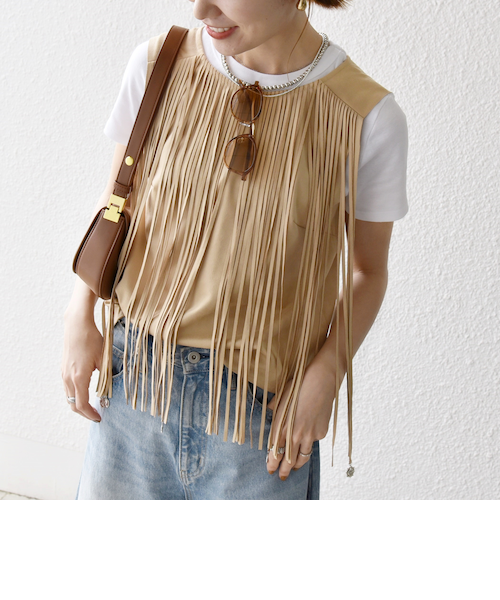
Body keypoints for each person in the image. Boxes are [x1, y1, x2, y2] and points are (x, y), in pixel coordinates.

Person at [62, 0, 408, 500]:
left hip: (261, 421)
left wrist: (328, 373)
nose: (202, 8)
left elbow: (367, 272)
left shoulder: (365, 116)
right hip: (132, 383)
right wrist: (78, 314)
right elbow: (119, 201)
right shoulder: (159, 64)